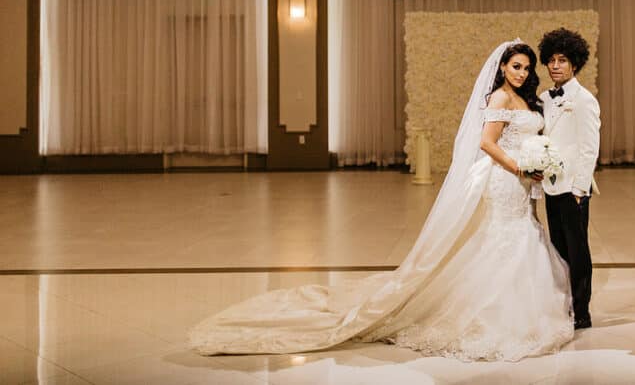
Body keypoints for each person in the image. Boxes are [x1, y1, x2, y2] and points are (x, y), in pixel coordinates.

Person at [187, 40, 573, 361]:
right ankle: (495, 315)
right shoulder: (500, 98)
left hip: (524, 182)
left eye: (526, 68)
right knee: (508, 238)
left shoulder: (525, 99)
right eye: (516, 66)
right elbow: (486, 143)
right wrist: (520, 169)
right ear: (503, 66)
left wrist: (537, 162)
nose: (521, 73)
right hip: (507, 180)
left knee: (524, 233)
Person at [537, 28, 600, 330]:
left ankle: (582, 311)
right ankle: (563, 305)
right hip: (551, 185)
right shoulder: (544, 98)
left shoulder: (584, 100)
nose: (555, 66)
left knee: (578, 251)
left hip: (572, 188)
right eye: (550, 60)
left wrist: (580, 189)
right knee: (558, 249)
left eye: (562, 60)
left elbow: (589, 147)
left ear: (575, 63)